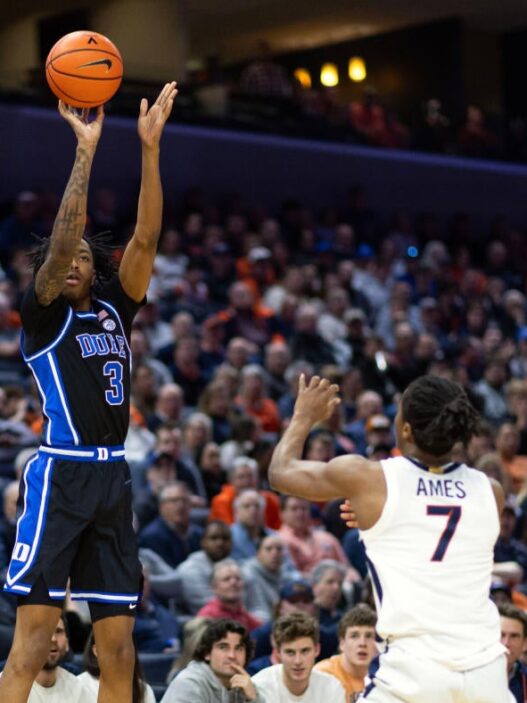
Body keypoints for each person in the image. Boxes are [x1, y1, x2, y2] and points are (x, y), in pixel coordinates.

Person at [0, 81, 177, 703]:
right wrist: (86, 152)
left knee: (119, 649)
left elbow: (148, 238)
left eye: (81, 254)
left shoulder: (114, 310)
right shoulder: (43, 312)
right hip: (62, 473)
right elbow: (63, 235)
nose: (72, 259)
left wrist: (149, 149)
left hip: (113, 478)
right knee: (33, 639)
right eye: (62, 254)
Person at [269, 373, 512, 702]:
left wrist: (304, 415)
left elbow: (281, 472)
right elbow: (442, 526)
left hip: (414, 672)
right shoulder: (491, 491)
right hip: (487, 673)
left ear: (407, 429)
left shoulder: (371, 479)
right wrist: (380, 521)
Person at [161, 618, 264, 702]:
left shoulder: (245, 685)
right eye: (223, 647)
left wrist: (253, 699)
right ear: (207, 653)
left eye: (238, 648)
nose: (232, 655)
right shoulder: (190, 683)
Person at [251, 612, 346, 702]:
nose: (298, 661)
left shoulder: (332, 687)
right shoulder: (260, 686)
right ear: (278, 653)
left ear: (317, 650)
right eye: (290, 652)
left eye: (305, 651)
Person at [22, 612, 92, 703]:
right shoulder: (7, 685)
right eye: (46, 631)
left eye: (59, 631)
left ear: (67, 644)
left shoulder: (77, 688)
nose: (53, 639)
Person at [314, 604, 377, 702]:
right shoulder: (323, 675)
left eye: (369, 636)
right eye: (354, 636)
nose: (362, 643)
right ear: (342, 643)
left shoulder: (387, 675)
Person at [77, 630, 156, 702]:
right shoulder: (79, 685)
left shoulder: (143, 689)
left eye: (126, 647)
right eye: (114, 646)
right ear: (96, 650)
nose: (122, 654)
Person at [197, 559, 262, 631]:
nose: (233, 582)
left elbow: (260, 628)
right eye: (226, 579)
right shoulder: (208, 615)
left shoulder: (240, 611)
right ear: (214, 587)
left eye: (238, 578)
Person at [499, 603, 527, 702]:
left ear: (525, 643)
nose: (506, 643)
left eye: (514, 636)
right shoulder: (468, 676)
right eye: (501, 634)